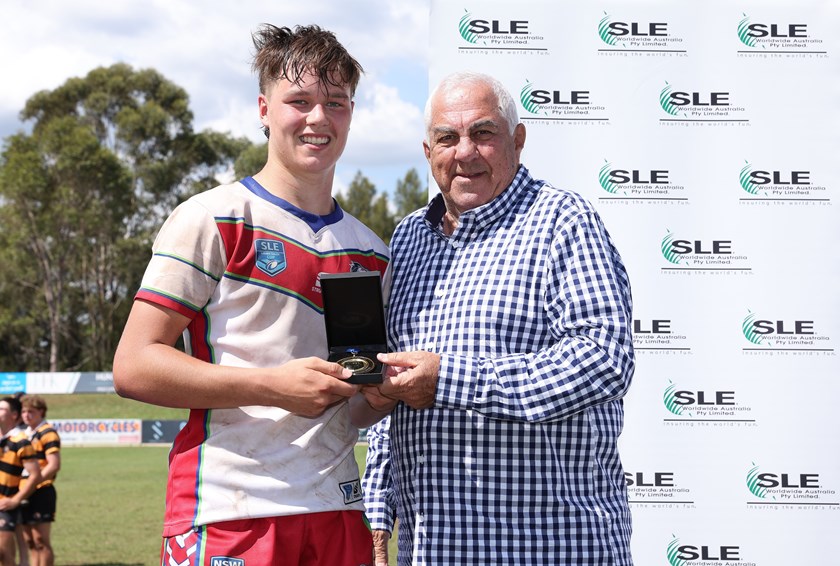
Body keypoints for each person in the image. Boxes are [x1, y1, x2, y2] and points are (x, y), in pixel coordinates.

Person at [113, 24, 389, 565]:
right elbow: (133, 366)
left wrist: (374, 398)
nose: (317, 118)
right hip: (229, 512)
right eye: (299, 101)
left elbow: (350, 408)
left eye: (335, 102)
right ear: (264, 109)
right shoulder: (211, 218)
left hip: (336, 507)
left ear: (351, 114)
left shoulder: (370, 250)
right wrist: (270, 386)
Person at [361, 71, 636, 565]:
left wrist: (450, 379)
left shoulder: (563, 222)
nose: (464, 151)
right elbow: (395, 382)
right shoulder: (407, 239)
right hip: (431, 553)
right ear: (429, 153)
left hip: (552, 549)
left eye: (483, 133)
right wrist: (378, 520)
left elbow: (605, 358)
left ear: (517, 140)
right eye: (447, 137)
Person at [0, 397, 42, 566]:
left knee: (3, 554)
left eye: (2, 409)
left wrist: (16, 499)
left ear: (14, 415)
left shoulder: (21, 441)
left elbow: (35, 475)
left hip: (5, 504)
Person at [19, 395, 60, 566]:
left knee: (41, 541)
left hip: (41, 490)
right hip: (23, 490)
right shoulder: (24, 434)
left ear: (41, 412)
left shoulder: (48, 432)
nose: (26, 415)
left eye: (31, 411)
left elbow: (54, 465)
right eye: (23, 411)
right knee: (30, 541)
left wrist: (34, 483)